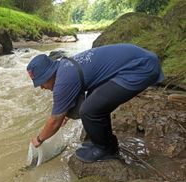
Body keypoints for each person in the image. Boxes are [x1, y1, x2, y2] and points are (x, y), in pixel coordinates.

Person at [27, 43, 164, 163]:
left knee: (89, 110)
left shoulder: (63, 81)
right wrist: (67, 116)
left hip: (140, 67)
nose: (42, 87)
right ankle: (106, 143)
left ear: (49, 75)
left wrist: (39, 140)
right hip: (140, 60)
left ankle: (106, 150)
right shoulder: (65, 66)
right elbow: (79, 91)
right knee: (94, 102)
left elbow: (54, 121)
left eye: (41, 82)